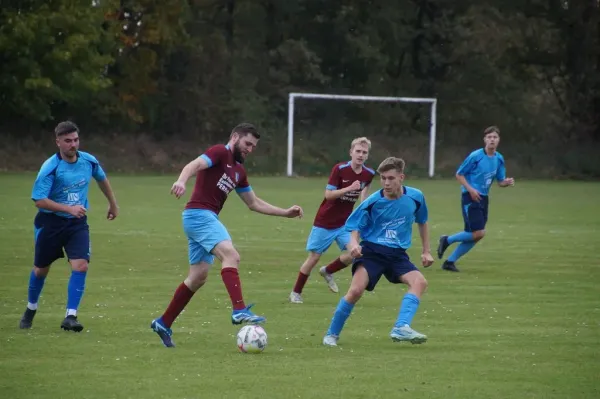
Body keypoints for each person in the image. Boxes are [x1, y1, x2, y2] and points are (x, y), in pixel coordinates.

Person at [151, 123, 303, 348]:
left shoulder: (240, 171)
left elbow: (253, 203)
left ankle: (163, 323)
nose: (250, 149)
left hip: (202, 219)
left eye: (253, 146)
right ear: (235, 137)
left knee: (198, 277)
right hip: (199, 215)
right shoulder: (219, 152)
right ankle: (239, 310)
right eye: (247, 143)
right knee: (231, 255)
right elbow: (194, 164)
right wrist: (181, 180)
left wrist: (285, 213)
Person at [322, 157, 434, 347]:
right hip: (372, 252)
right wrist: (354, 244)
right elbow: (352, 227)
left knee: (420, 282)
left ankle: (401, 327)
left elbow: (422, 221)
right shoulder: (373, 201)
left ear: (401, 177)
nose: (386, 183)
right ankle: (331, 334)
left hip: (397, 254)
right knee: (356, 291)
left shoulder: (416, 197)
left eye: (391, 178)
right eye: (383, 178)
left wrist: (426, 251)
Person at [20, 121, 119, 332]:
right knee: (40, 270)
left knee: (81, 265)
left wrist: (112, 203)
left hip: (77, 224)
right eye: (67, 141)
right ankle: (31, 308)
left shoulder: (88, 161)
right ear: (58, 142)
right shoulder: (51, 167)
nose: (73, 144)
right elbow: (39, 200)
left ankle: (71, 316)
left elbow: (102, 179)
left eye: (75, 140)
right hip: (50, 223)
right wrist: (68, 208)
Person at [289, 137, 375, 304]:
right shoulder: (340, 169)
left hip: (345, 223)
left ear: (367, 155)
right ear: (351, 152)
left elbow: (363, 196)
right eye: (358, 151)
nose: (360, 155)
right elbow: (328, 195)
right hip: (325, 221)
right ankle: (296, 292)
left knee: (356, 252)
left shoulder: (369, 174)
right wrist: (349, 188)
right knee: (313, 257)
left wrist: (365, 210)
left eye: (364, 152)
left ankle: (328, 271)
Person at [437, 126, 515, 272]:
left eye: (495, 137)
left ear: (498, 140)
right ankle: (447, 240)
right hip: (470, 197)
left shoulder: (499, 158)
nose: (492, 139)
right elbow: (459, 174)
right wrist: (471, 189)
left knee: (475, 235)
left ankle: (449, 262)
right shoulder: (476, 156)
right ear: (485, 139)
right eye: (489, 137)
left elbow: (500, 181)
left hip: (483, 198)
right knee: (479, 232)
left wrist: (507, 182)